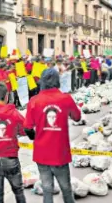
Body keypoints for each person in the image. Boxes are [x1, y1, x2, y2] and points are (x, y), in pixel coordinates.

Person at [24, 68, 81, 203]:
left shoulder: (34, 101)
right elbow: (77, 117)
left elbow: (27, 127)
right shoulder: (65, 98)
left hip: (41, 152)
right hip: (60, 152)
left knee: (47, 189)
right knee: (66, 188)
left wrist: (34, 136)